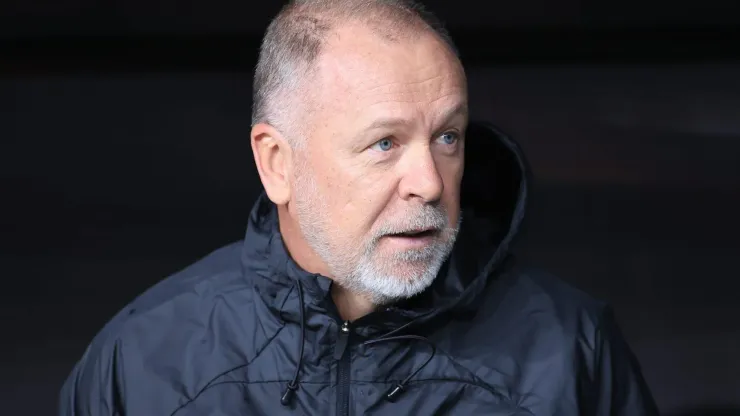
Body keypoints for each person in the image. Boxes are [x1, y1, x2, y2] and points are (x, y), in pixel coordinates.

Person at [59, 1, 659, 414]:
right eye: (384, 143)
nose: (429, 182)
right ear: (277, 163)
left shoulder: (571, 349)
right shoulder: (140, 364)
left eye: (447, 136)